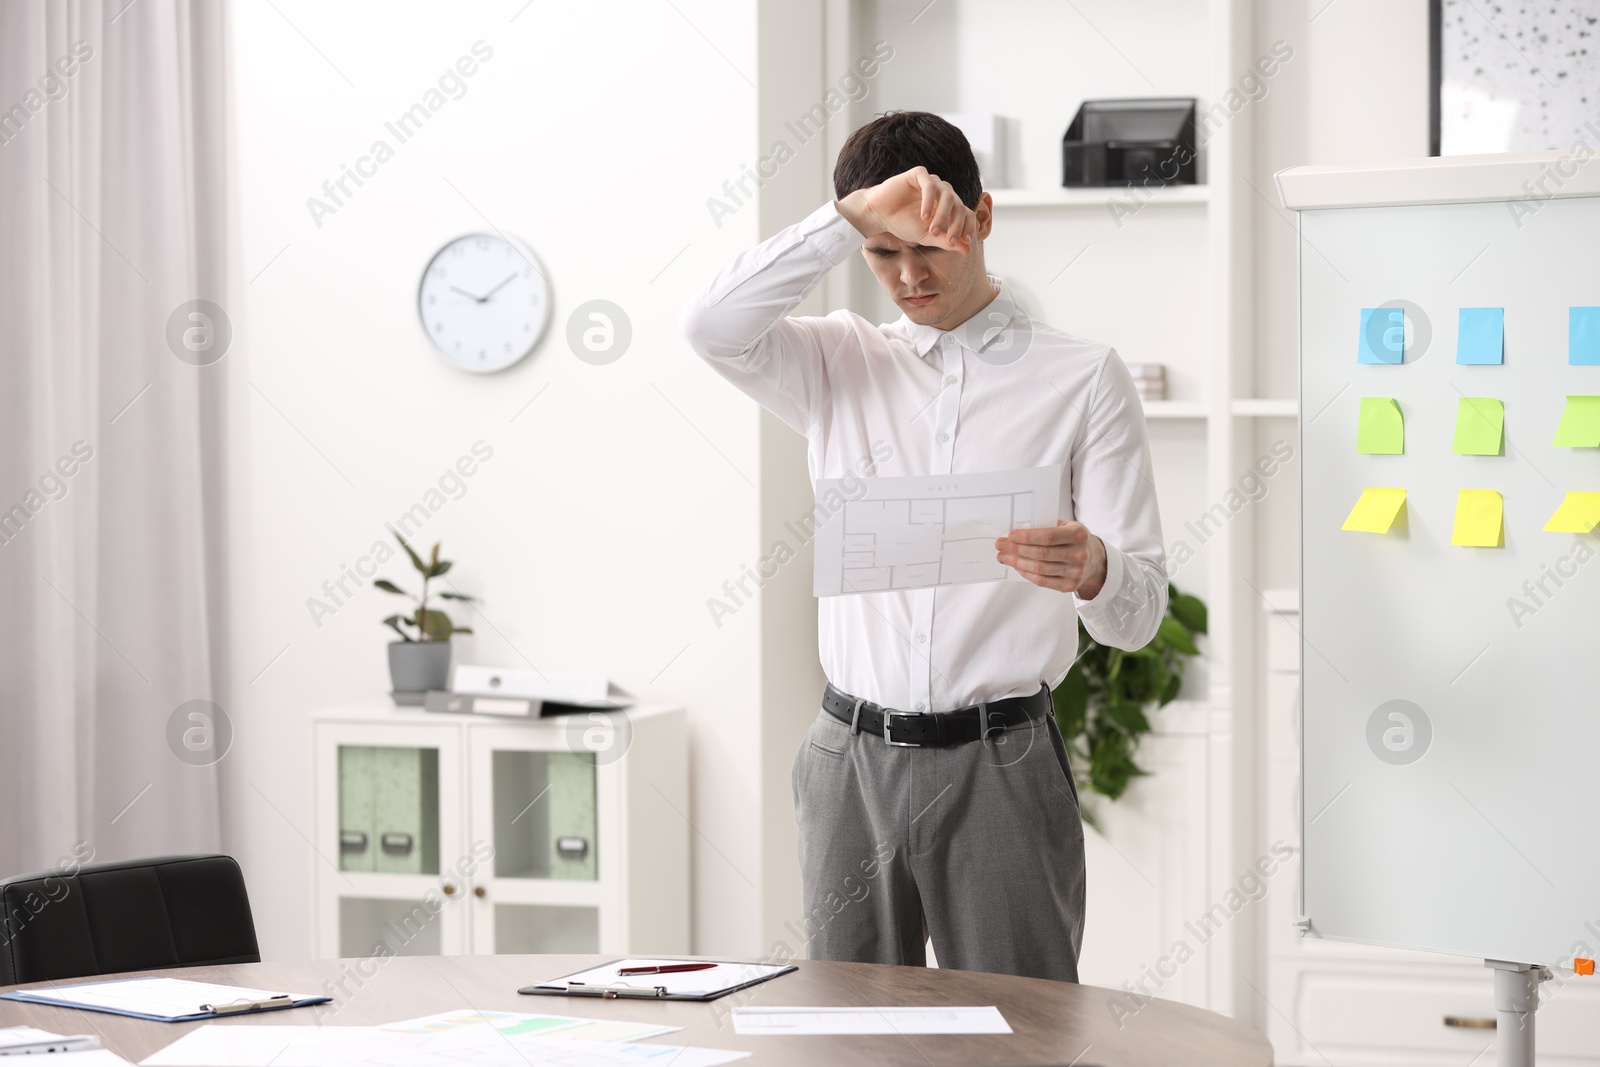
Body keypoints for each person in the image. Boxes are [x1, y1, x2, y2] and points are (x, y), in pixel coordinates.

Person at [679, 111, 1166, 981]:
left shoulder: (1083, 376)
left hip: (1002, 765)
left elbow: (1141, 615)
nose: (906, 278)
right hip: (847, 763)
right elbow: (710, 326)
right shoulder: (836, 362)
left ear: (982, 218)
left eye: (929, 249)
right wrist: (847, 219)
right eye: (882, 253)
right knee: (851, 1036)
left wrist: (1098, 569)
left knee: (1022, 1037)